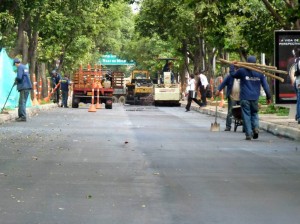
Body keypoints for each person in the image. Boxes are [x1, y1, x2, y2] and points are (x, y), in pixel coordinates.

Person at [230, 56, 272, 140]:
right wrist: (269, 97)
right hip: (255, 98)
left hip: (245, 97)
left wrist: (232, 65)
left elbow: (232, 74)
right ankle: (255, 128)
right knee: (254, 114)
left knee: (246, 115)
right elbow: (265, 86)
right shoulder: (260, 72)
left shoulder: (242, 71)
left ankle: (248, 134)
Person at [293, 48, 300, 124]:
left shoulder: (296, 60)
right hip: (299, 81)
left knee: (299, 99)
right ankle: (298, 116)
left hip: (297, 81)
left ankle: (297, 115)